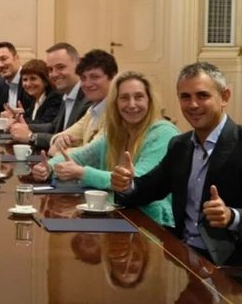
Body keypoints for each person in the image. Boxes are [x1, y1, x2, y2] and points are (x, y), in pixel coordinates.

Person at [111, 62, 242, 266]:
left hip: (228, 266)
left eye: (202, 95)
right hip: (180, 255)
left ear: (224, 97)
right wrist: (127, 185)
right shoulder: (180, 146)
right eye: (185, 97)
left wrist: (231, 215)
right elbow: (149, 189)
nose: (193, 105)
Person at [32, 71, 179, 226]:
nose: (132, 104)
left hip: (154, 224)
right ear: (115, 103)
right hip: (116, 215)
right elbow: (80, 157)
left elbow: (139, 182)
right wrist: (48, 167)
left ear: (149, 100)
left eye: (139, 97)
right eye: (124, 98)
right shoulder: (116, 133)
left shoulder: (163, 133)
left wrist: (82, 173)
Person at [9, 42, 91, 150]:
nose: (54, 74)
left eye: (60, 67)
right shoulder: (66, 95)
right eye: (50, 70)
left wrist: (31, 136)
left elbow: (70, 141)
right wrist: (25, 127)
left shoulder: (88, 99)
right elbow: (53, 126)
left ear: (78, 65)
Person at [47, 49, 118, 156]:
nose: (87, 84)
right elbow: (57, 137)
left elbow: (91, 154)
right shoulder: (92, 111)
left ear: (113, 77)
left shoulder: (117, 111)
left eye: (95, 77)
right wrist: (59, 140)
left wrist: (58, 151)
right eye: (83, 78)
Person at [2, 59, 61, 124]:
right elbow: (28, 119)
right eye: (25, 79)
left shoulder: (54, 97)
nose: (28, 84)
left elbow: (44, 124)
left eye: (33, 78)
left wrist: (14, 118)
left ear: (45, 81)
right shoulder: (34, 100)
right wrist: (16, 115)